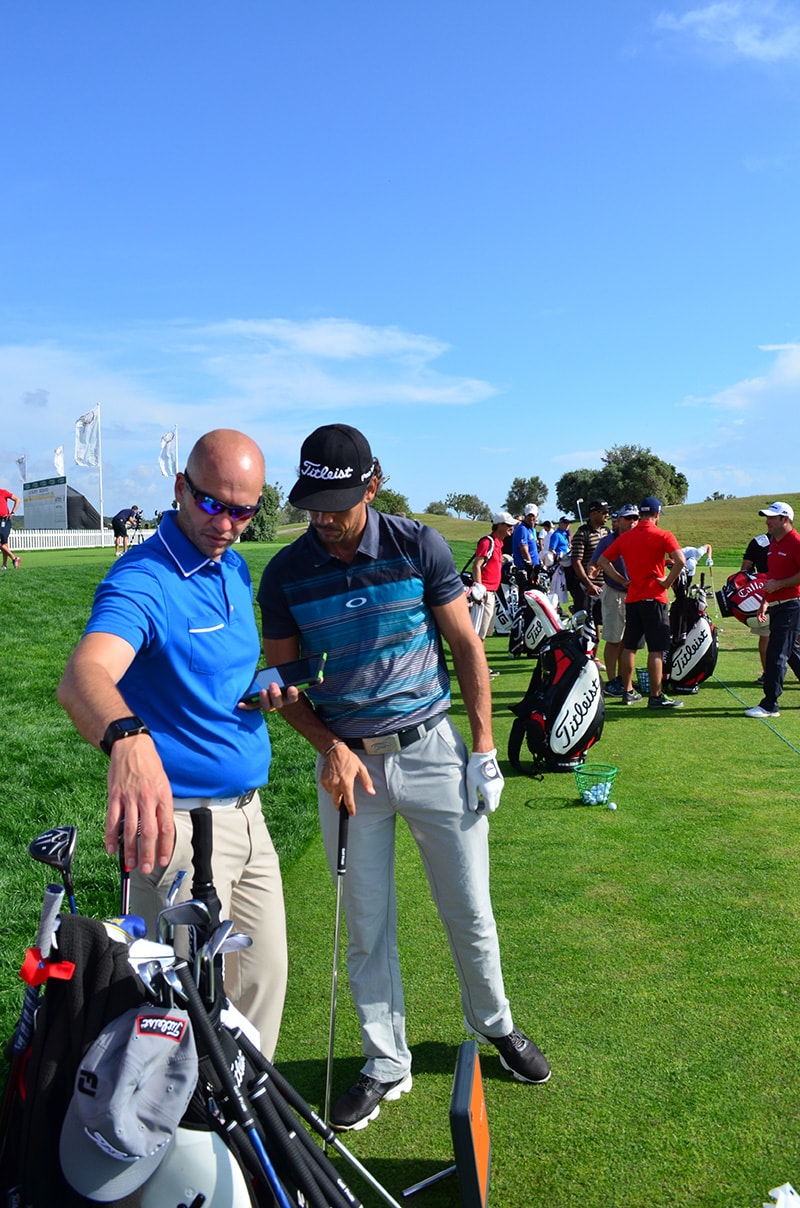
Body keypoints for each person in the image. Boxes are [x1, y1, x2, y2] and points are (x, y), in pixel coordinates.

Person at [258, 423, 551, 1132]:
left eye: (337, 505)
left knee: (469, 908)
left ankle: (494, 1023)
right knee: (366, 925)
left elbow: (465, 645)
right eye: (313, 506)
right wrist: (329, 745)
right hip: (349, 768)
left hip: (432, 750)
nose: (324, 519)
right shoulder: (286, 572)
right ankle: (385, 1060)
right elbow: (284, 682)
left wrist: (484, 748)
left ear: (373, 485)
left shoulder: (418, 545)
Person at [57, 430, 288, 1058]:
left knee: (262, 986)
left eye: (244, 511)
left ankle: (247, 1120)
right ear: (181, 488)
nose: (228, 524)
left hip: (249, 816)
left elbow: (213, 673)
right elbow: (83, 676)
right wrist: (128, 739)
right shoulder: (144, 577)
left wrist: (258, 689)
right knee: (179, 1021)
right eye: (213, 504)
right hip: (180, 830)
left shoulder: (232, 564)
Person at [596, 496, 686, 709]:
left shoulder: (626, 537)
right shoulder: (663, 535)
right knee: (656, 650)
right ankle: (656, 696)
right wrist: (667, 582)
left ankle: (627, 692)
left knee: (630, 647)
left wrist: (622, 581)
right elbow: (681, 560)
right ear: (656, 514)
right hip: (655, 598)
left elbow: (602, 561)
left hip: (633, 599)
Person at [743, 502, 800, 719]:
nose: (767, 521)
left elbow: (780, 581)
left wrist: (779, 585)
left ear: (785, 519)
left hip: (792, 605)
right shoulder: (774, 544)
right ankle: (770, 703)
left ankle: (770, 705)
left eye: (771, 518)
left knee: (777, 654)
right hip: (776, 605)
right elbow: (772, 579)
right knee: (791, 652)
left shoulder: (796, 542)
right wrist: (765, 601)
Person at [591, 504, 639, 696]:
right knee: (613, 639)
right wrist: (621, 580)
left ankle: (623, 679)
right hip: (615, 593)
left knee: (627, 641)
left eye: (635, 518)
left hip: (634, 594)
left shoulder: (639, 539)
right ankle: (612, 682)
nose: (632, 522)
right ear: (618, 520)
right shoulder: (608, 541)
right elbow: (597, 563)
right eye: (628, 518)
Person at [470, 512, 517, 676]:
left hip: (491, 593)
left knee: (483, 634)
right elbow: (477, 566)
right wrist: (479, 589)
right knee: (478, 634)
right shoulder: (487, 542)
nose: (511, 528)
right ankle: (477, 668)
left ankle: (481, 667)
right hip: (484, 594)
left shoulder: (498, 544)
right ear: (500, 525)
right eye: (508, 525)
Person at [569, 500, 609, 628]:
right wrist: (589, 584)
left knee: (599, 622)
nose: (607, 515)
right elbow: (576, 562)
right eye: (603, 512)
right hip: (586, 588)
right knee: (586, 625)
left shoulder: (607, 532)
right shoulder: (582, 534)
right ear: (593, 513)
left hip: (605, 586)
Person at [512, 503, 540, 587]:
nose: (531, 518)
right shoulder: (522, 529)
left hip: (532, 570)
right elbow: (524, 550)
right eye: (529, 515)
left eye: (533, 515)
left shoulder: (530, 529)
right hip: (525, 570)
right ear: (525, 515)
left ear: (537, 515)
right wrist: (531, 569)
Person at [0, 485, 21, 570]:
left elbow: (17, 499)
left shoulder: (3, 492)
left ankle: (11, 560)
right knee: (4, 544)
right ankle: (7, 563)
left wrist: (12, 512)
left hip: (4, 520)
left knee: (4, 543)